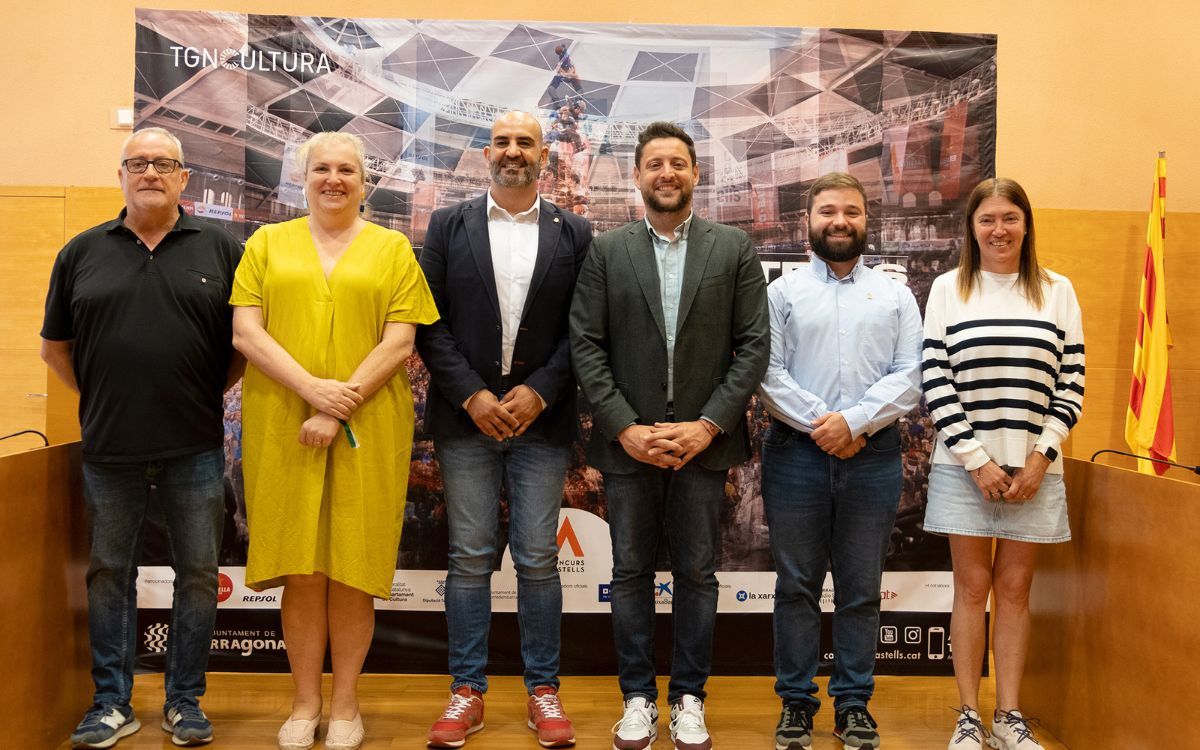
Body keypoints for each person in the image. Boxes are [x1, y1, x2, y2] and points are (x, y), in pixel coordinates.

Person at [229, 131, 439, 750]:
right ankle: (302, 704)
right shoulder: (266, 244)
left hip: (367, 425)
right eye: (322, 168)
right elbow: (247, 333)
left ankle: (345, 705)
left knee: (350, 568)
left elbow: (400, 342)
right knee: (302, 571)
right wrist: (313, 392)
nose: (334, 179)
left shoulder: (393, 247)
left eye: (347, 170)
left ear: (363, 182)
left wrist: (339, 402)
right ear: (303, 177)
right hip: (281, 423)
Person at [569, 121, 769, 750]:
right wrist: (625, 427)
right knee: (629, 572)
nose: (666, 173)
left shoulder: (732, 248)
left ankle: (687, 698)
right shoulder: (607, 251)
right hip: (631, 446)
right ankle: (635, 698)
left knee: (698, 574)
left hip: (702, 445)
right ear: (636, 175)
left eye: (678, 163)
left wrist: (709, 425)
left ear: (695, 174)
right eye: (654, 163)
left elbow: (753, 347)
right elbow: (586, 344)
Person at [41, 126, 243, 748]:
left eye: (164, 163)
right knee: (109, 573)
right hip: (109, 448)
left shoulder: (221, 248)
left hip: (196, 446)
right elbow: (56, 349)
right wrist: (106, 397)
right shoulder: (81, 251)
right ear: (122, 175)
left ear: (185, 178)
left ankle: (185, 701)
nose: (150, 171)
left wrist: (199, 392)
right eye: (138, 163)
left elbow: (241, 348)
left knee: (199, 575)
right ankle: (111, 702)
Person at [416, 110, 591, 749]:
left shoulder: (575, 231)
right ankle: (467, 690)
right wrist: (473, 396)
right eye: (502, 141)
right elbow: (426, 321)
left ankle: (544, 690)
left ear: (545, 155)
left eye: (525, 142)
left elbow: (585, 328)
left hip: (541, 423)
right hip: (467, 422)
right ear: (485, 153)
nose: (513, 151)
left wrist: (541, 391)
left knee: (540, 559)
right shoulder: (448, 224)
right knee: (468, 558)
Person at [757, 173, 923, 750]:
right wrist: (826, 426)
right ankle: (797, 704)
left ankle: (854, 703)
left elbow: (912, 375)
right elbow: (767, 374)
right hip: (795, 456)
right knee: (796, 586)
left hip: (873, 455)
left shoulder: (895, 294)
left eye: (851, 211)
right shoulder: (781, 293)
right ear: (807, 220)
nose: (839, 221)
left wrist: (853, 423)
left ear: (865, 221)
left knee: (861, 589)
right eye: (827, 211)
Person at [921, 178, 1084, 750]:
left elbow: (1073, 381)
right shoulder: (948, 289)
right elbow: (936, 381)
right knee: (971, 588)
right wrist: (976, 461)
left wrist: (1041, 458)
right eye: (987, 219)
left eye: (1010, 218)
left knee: (1014, 591)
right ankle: (969, 716)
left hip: (1036, 471)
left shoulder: (1057, 290)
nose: (999, 229)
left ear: (1026, 224)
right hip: (966, 469)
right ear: (971, 227)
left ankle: (1008, 716)